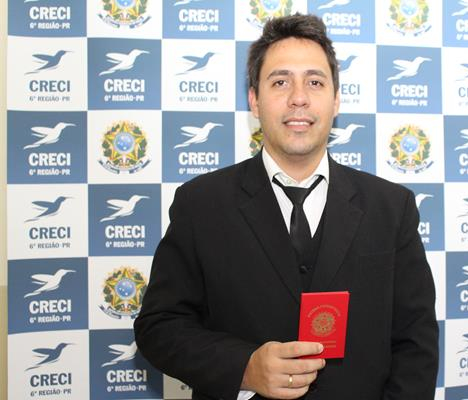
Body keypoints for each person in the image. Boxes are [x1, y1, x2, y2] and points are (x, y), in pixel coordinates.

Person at [134, 13, 438, 400]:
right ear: (254, 100)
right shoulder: (201, 204)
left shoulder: (392, 207)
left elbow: (416, 342)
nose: (299, 97)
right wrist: (244, 367)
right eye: (280, 82)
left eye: (315, 82)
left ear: (336, 100)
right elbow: (159, 326)